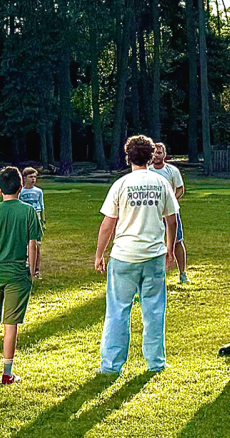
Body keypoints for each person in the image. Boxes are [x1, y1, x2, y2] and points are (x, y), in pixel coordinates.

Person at [94, 135, 181, 375]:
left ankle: (111, 365)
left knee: (117, 311)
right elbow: (172, 220)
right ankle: (156, 362)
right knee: (154, 311)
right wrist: (170, 249)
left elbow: (108, 224)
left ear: (128, 157)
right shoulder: (161, 183)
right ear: (151, 157)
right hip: (153, 255)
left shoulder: (121, 184)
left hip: (124, 255)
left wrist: (99, 253)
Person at [0, 167, 43, 384]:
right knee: (11, 324)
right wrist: (32, 271)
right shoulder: (28, 212)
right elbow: (32, 244)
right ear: (21, 187)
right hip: (17, 273)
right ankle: (7, 373)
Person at [149, 142, 189, 284]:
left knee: (177, 241)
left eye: (159, 153)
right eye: (154, 153)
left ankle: (182, 273)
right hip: (153, 213)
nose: (156, 155)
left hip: (170, 212)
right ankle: (155, 275)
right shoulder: (147, 171)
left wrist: (171, 202)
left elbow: (180, 188)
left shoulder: (172, 171)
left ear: (164, 155)